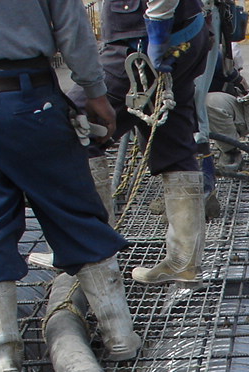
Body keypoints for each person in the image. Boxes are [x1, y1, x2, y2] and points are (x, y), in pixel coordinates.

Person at [0, 0, 142, 372]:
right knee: (73, 210)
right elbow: (71, 26)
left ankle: (1, 357)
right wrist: (95, 91)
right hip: (26, 99)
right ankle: (119, 335)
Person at [91, 0, 212, 284]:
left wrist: (157, 32)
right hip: (182, 34)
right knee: (174, 142)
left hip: (142, 42)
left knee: (78, 129)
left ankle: (89, 252)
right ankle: (185, 262)